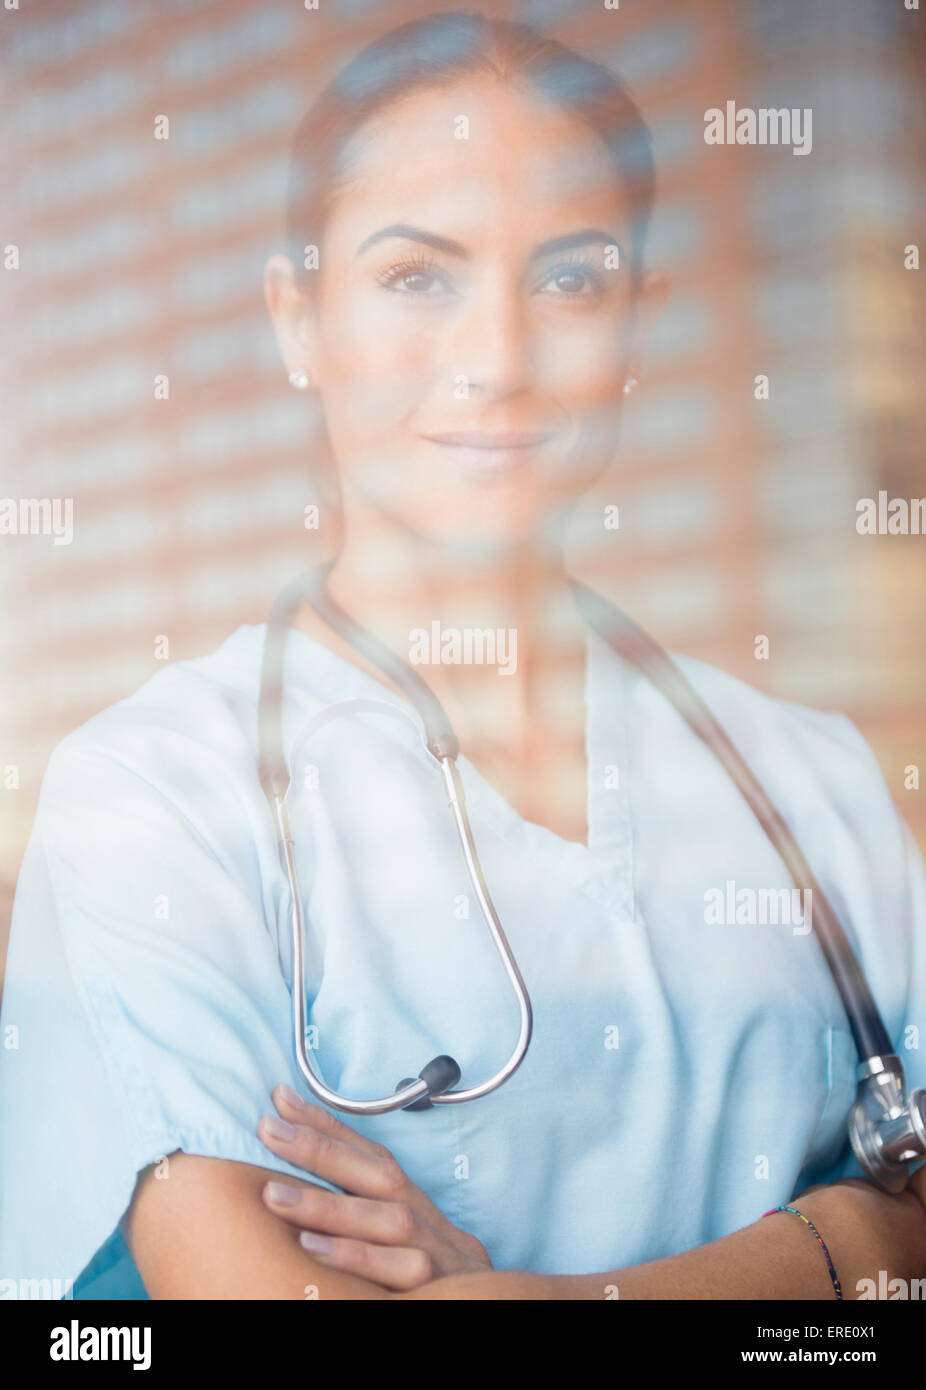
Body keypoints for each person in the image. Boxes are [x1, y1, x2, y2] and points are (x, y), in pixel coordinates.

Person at [1, 11, 924, 1302]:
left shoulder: (813, 782)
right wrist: (837, 1249)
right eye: (417, 277)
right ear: (296, 319)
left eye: (568, 280)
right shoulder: (158, 792)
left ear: (637, 327)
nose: (496, 362)